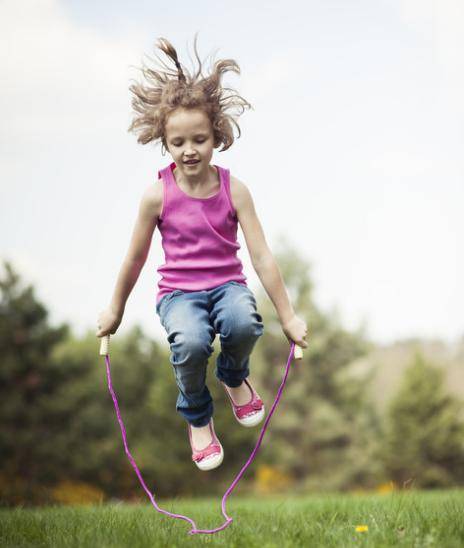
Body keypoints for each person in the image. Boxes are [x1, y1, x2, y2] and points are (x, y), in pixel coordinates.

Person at [96, 35, 308, 471]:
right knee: (191, 343)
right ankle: (197, 416)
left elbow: (262, 257)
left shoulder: (236, 190)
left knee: (245, 323)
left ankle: (233, 376)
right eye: (178, 142)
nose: (189, 150)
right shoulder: (156, 197)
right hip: (179, 295)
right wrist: (114, 310)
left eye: (199, 139)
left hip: (227, 285)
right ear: (165, 143)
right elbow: (134, 259)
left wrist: (287, 316)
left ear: (217, 137)